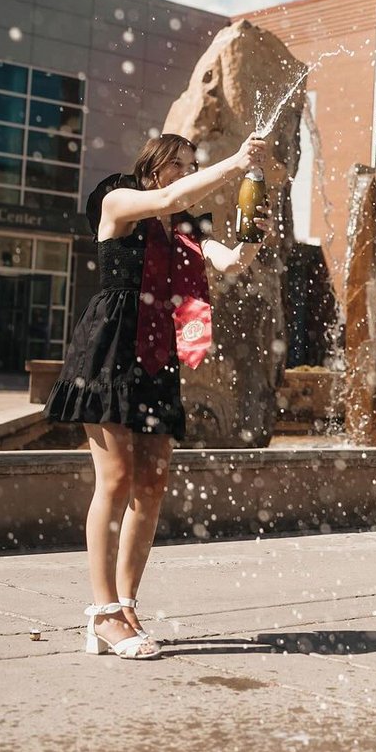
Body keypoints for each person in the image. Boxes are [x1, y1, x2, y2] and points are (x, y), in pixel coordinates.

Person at [45, 131, 270, 660]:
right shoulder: (118, 199)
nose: (187, 171)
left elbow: (229, 262)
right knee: (117, 478)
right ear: (156, 161)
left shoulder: (187, 227)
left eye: (193, 164)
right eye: (182, 163)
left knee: (152, 483)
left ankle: (125, 605)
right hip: (110, 344)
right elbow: (168, 199)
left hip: (158, 351)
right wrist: (237, 162)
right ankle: (100, 615)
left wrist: (254, 239)